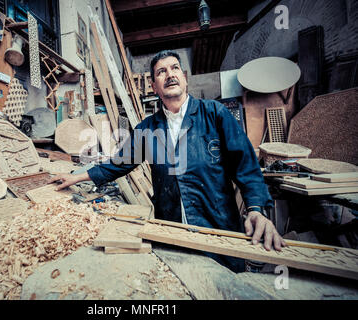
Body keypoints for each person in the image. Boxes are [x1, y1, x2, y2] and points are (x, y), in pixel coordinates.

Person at [49, 50, 286, 272]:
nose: (169, 74)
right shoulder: (147, 129)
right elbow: (119, 163)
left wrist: (256, 209)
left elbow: (245, 164)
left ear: (184, 78)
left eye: (174, 69)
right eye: (161, 72)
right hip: (173, 232)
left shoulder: (214, 113)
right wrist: (77, 177)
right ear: (153, 85)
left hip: (219, 229)